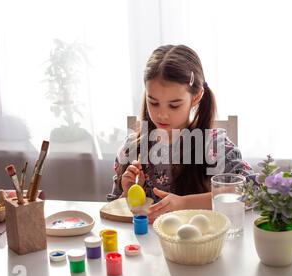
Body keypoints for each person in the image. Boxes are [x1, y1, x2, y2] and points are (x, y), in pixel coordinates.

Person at [107, 44, 253, 222]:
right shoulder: (132, 148)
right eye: (153, 102)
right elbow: (111, 216)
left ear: (196, 96)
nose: (162, 114)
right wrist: (127, 194)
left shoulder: (213, 146)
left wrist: (184, 203)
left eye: (174, 105)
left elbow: (252, 191)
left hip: (198, 246)